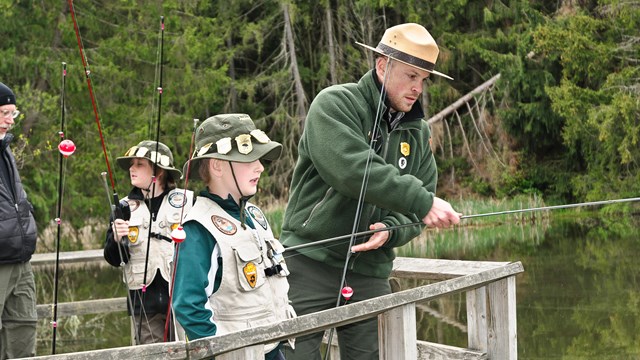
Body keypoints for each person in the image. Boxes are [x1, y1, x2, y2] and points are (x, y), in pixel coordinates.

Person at [280, 23, 462, 359]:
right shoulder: (335, 104)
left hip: (371, 273)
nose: (417, 88)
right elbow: (353, 171)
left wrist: (391, 231)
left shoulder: (417, 133)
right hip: (309, 263)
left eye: (423, 80)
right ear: (382, 65)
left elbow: (414, 211)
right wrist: (422, 203)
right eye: (410, 76)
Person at [172, 114, 294, 360]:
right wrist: (221, 353)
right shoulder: (198, 228)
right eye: (249, 159)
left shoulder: (254, 215)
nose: (260, 167)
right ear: (217, 165)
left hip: (273, 349)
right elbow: (188, 306)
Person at [104, 140, 193, 344]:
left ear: (159, 171)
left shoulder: (187, 203)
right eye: (131, 164)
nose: (131, 169)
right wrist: (116, 238)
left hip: (182, 299)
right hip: (144, 305)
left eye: (139, 164)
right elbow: (115, 259)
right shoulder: (123, 207)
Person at [0, 82, 38, 359]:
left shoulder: (6, 149)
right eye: (3, 112)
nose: (10, 120)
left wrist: (27, 218)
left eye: (13, 113)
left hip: (21, 258)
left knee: (24, 329)